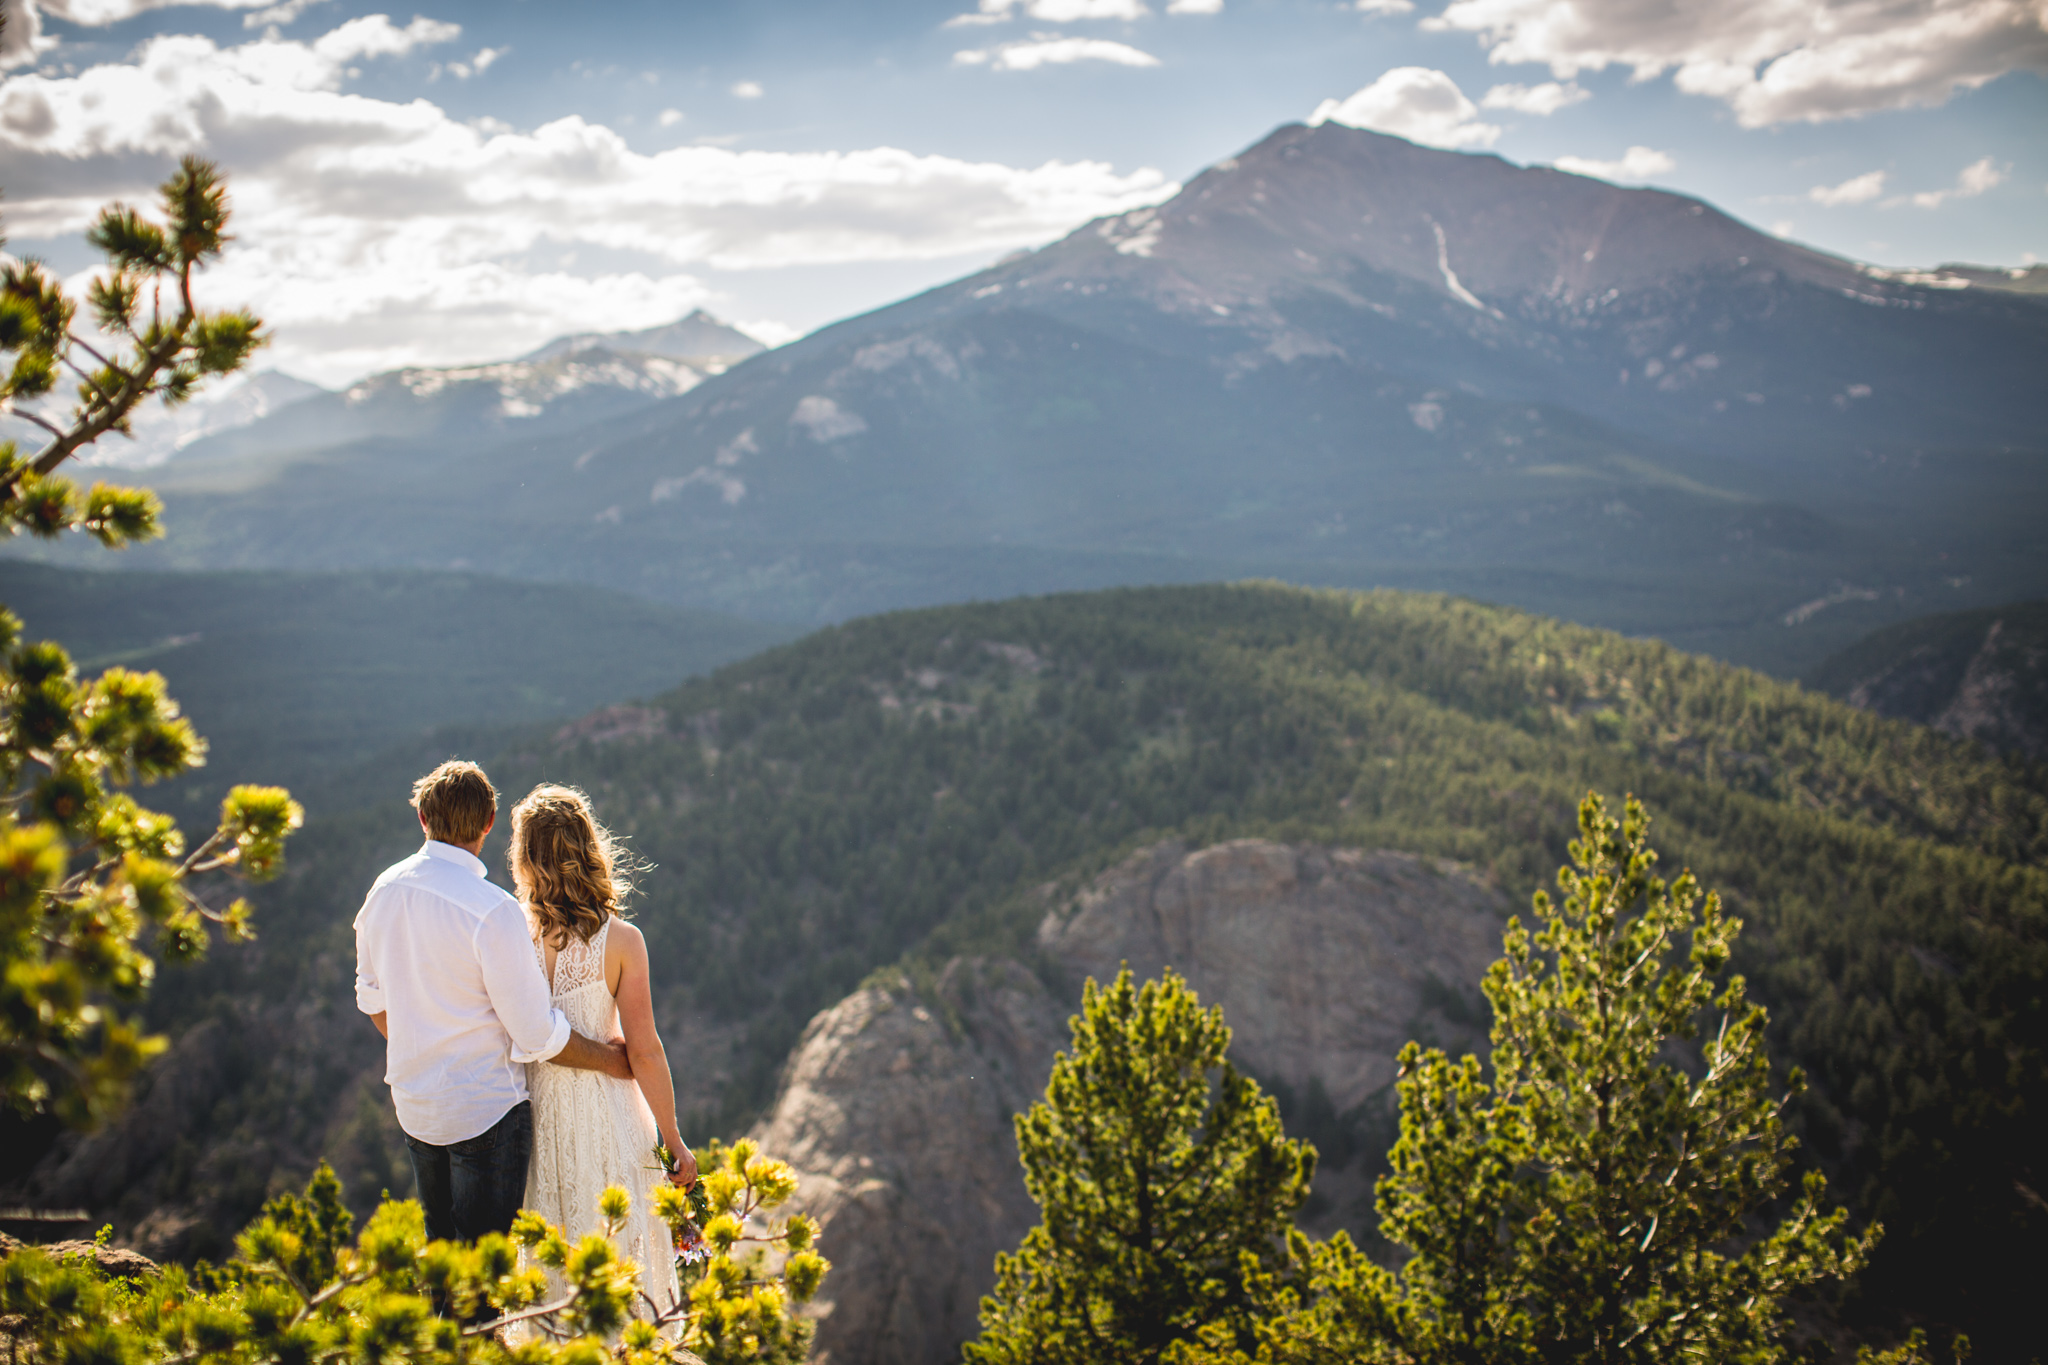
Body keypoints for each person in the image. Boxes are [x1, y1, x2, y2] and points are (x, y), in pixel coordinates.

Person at [354, 760, 637, 1243]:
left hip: (417, 1104)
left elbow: (373, 1001)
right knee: (485, 1275)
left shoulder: (383, 891)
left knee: (442, 1256)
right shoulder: (493, 910)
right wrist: (612, 1061)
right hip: (486, 1115)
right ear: (488, 825)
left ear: (423, 818)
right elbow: (536, 1034)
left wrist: (426, 1043)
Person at [508, 783, 698, 1328]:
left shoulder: (505, 936)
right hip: (609, 1116)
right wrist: (672, 1137)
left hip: (530, 1117)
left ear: (525, 857)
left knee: (551, 1255)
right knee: (618, 1251)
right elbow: (645, 1049)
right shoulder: (621, 941)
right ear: (590, 848)